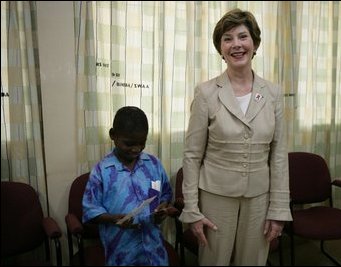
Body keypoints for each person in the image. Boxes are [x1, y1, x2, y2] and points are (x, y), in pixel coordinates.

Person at [178, 8, 293, 266]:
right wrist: (192, 211)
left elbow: (279, 156)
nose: (236, 45)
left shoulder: (273, 93)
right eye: (227, 38)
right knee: (213, 261)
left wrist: (279, 209)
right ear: (220, 48)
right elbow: (192, 155)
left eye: (243, 36)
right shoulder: (206, 93)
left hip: (259, 198)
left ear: (255, 43)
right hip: (215, 197)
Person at [82, 106, 176, 266]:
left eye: (142, 143)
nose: (136, 149)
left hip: (154, 250)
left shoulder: (154, 164)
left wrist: (163, 208)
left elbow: (166, 193)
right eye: (129, 143)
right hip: (121, 252)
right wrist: (113, 219)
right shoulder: (102, 171)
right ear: (113, 135)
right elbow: (90, 209)